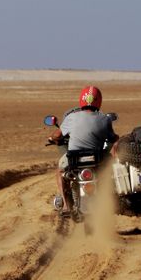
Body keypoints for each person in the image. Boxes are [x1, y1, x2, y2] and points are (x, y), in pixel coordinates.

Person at [48, 85, 118, 215]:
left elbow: (57, 135)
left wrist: (52, 138)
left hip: (74, 159)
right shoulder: (105, 119)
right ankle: (112, 199)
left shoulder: (71, 117)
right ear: (99, 100)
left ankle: (66, 206)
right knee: (110, 170)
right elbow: (113, 138)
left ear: (82, 99)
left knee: (60, 172)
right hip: (96, 159)